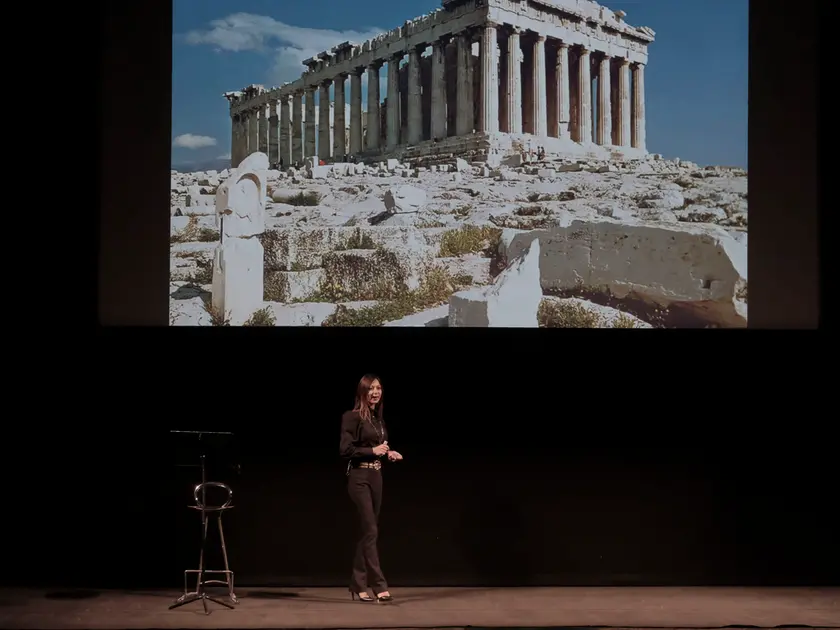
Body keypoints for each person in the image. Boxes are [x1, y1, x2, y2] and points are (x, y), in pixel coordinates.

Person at [339, 374, 403, 603]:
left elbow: (378, 448)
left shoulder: (378, 420)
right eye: (371, 389)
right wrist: (372, 451)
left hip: (376, 476)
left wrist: (388, 453)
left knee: (367, 532)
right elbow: (345, 450)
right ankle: (379, 585)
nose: (375, 392)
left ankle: (357, 584)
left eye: (378, 388)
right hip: (359, 478)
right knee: (371, 531)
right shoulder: (352, 417)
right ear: (362, 392)